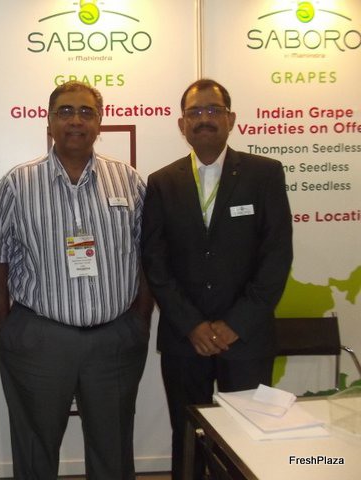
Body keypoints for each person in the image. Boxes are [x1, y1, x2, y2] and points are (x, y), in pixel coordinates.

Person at [0, 80, 152, 480]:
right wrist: (6, 327)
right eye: (65, 111)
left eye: (85, 112)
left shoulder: (128, 180)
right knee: (35, 450)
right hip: (39, 339)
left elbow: (149, 254)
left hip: (114, 339)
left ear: (100, 123)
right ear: (48, 122)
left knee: (113, 450)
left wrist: (139, 320)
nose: (75, 120)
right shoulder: (17, 184)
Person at [141, 79, 293, 480]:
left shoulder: (264, 174)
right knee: (186, 437)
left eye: (213, 110)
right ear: (181, 124)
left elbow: (276, 257)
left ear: (231, 119)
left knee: (247, 441)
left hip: (246, 339)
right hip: (184, 340)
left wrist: (234, 324)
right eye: (194, 112)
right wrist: (192, 324)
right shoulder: (162, 182)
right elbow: (155, 262)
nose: (204, 119)